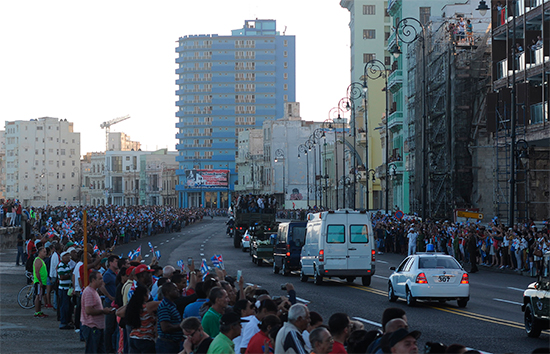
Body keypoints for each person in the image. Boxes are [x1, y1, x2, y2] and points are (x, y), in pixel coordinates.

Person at [81, 270, 114, 353]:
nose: (102, 281)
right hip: (92, 327)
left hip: (97, 327)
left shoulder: (94, 291)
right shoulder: (89, 292)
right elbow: (88, 310)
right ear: (93, 280)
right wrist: (103, 311)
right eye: (100, 279)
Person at [126, 285, 160, 354]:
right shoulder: (149, 306)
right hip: (146, 338)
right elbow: (165, 302)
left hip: (133, 337)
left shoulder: (133, 307)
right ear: (145, 296)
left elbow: (119, 312)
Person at [156, 282, 184, 354]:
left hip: (172, 344)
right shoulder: (164, 306)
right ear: (167, 292)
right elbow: (165, 327)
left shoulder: (171, 305)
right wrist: (182, 325)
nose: (177, 290)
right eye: (174, 289)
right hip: (167, 345)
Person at [101, 255, 120, 353]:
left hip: (114, 303)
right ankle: (108, 349)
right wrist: (109, 296)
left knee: (113, 327)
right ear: (111, 263)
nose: (117, 263)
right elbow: (101, 286)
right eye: (116, 261)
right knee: (109, 327)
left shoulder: (114, 273)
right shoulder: (108, 274)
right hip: (109, 303)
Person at [57, 250, 74, 329]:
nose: (68, 257)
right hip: (63, 289)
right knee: (64, 306)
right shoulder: (61, 266)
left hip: (67, 288)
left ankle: (67, 321)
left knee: (68, 306)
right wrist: (70, 273)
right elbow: (62, 277)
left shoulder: (67, 265)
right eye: (66, 256)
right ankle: (63, 322)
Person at [33, 246, 49, 318]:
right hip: (39, 282)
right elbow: (37, 272)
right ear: (40, 252)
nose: (45, 253)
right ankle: (37, 312)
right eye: (44, 252)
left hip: (43, 282)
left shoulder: (41, 260)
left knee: (40, 297)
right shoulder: (38, 260)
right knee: (38, 296)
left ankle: (39, 311)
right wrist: (40, 281)